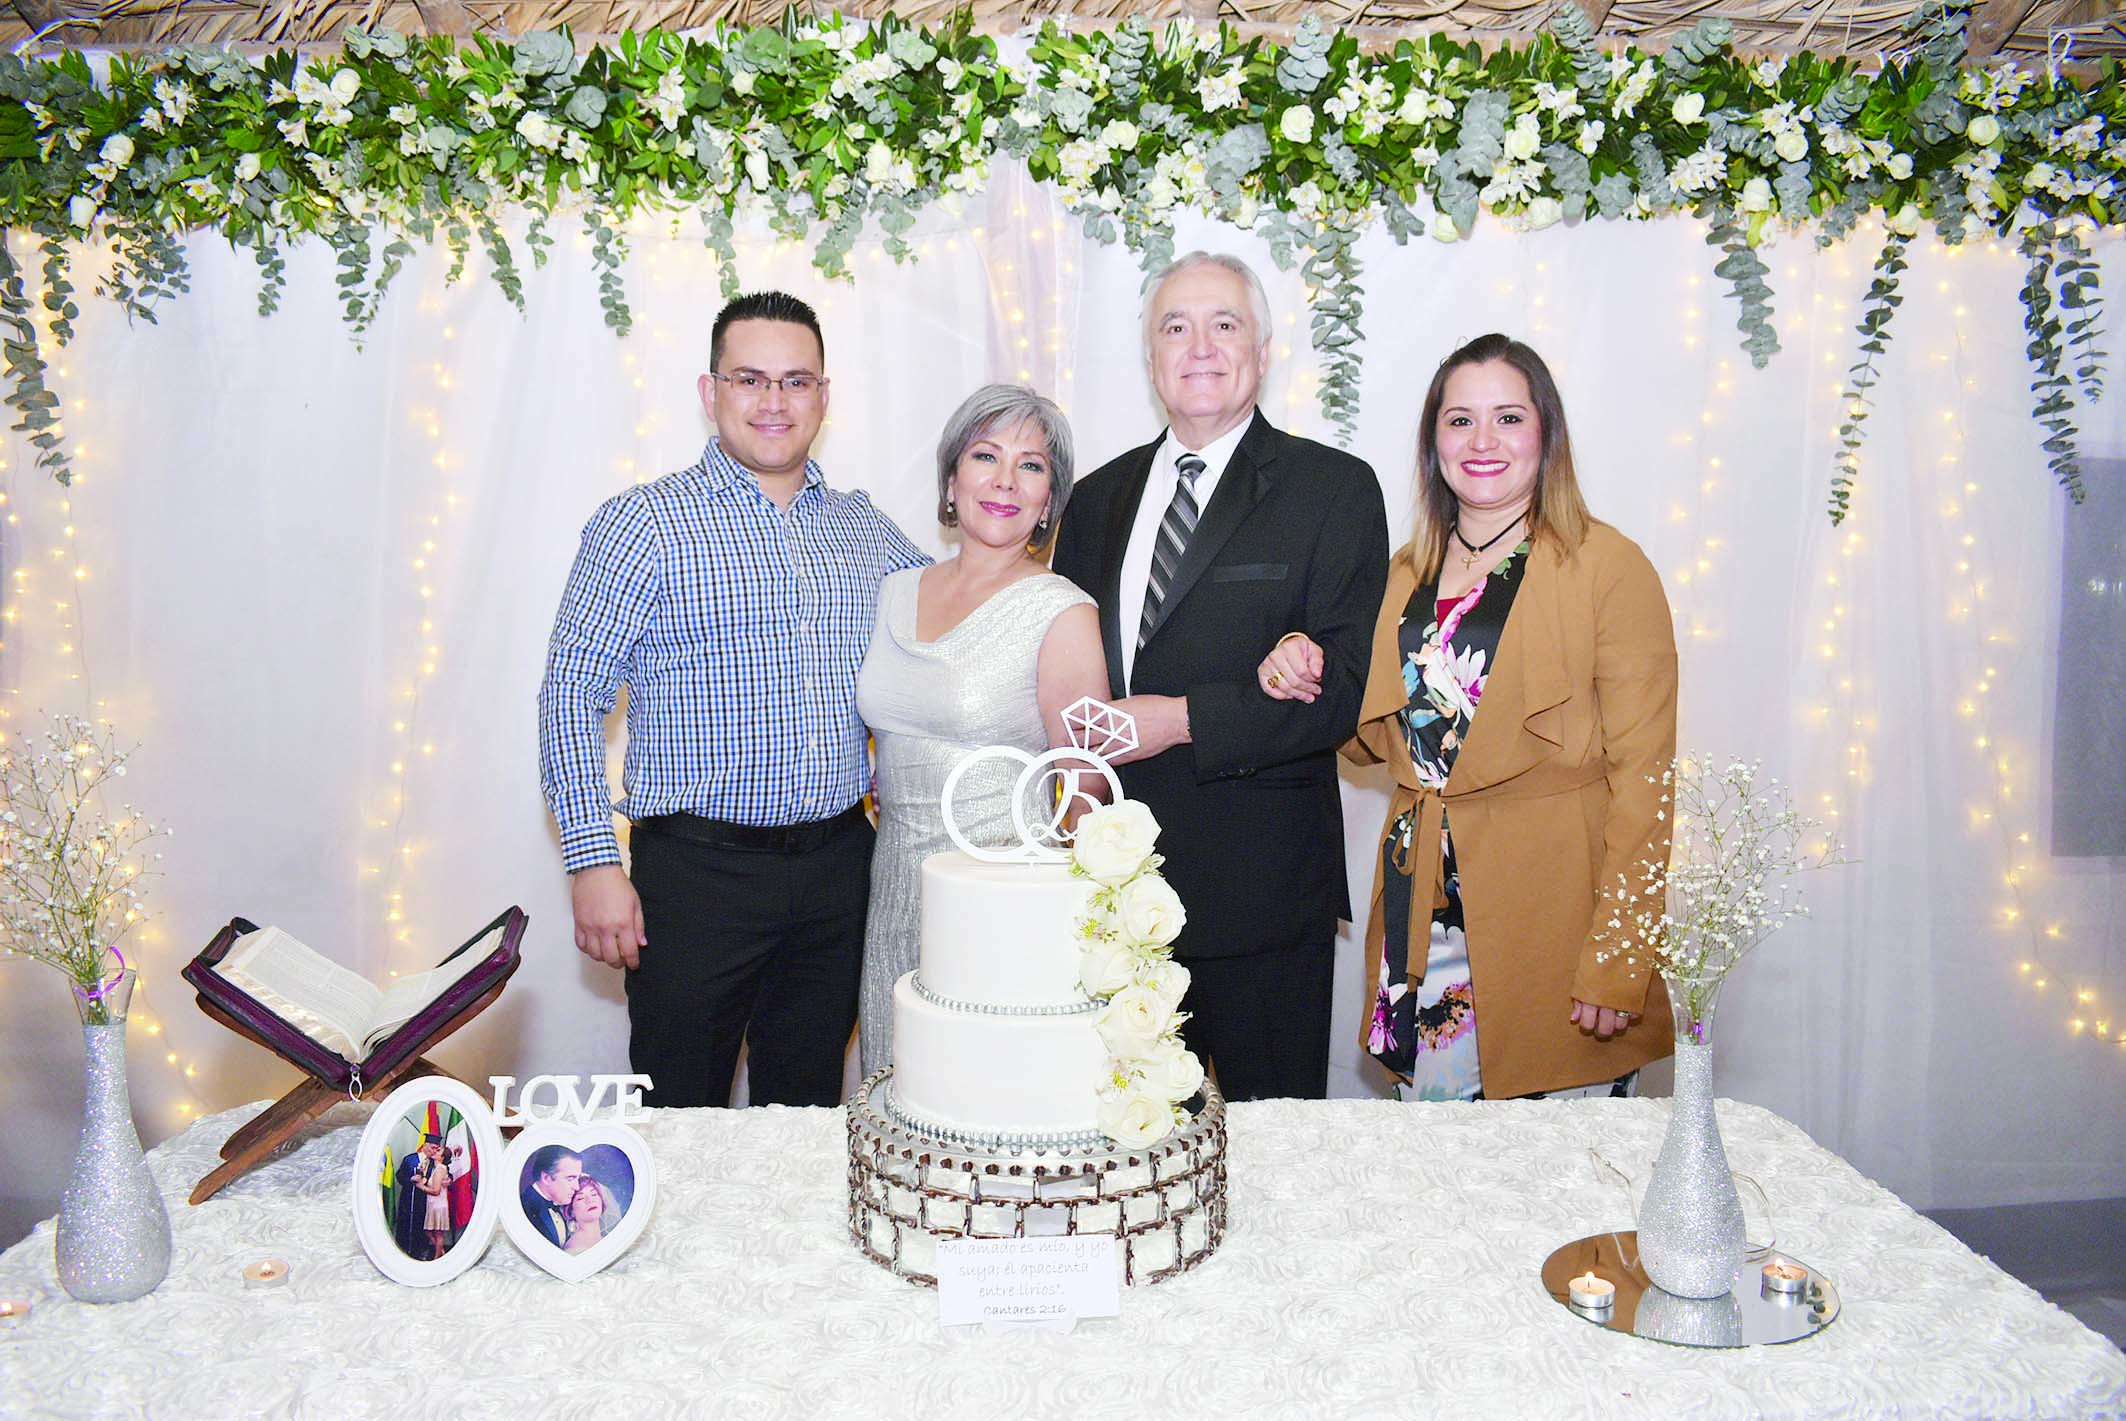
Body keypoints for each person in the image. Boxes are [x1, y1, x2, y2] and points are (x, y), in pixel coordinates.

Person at [1259, 332, 1677, 1100]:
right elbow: (1363, 736)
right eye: (1459, 420)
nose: (1483, 441)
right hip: (1420, 918)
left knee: (1556, 1194)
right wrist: (1299, 657)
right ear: (1433, 442)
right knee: (1436, 1184)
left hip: (1551, 922)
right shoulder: (1406, 571)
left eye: (1509, 418)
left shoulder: (1609, 566)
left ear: (1546, 435)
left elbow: (1647, 784)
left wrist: (1620, 958)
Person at [539, 291, 929, 1108]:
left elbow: (962, 615)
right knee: (679, 1114)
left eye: (796, 381)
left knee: (808, 1113)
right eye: (750, 378)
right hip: (695, 875)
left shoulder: (865, 530)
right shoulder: (645, 522)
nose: (774, 402)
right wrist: (591, 860)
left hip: (837, 868)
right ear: (709, 391)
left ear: (824, 396)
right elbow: (570, 695)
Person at [1050, 252, 1389, 1102]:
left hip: (1264, 902)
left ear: (1264, 349)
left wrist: (1180, 718)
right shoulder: (1094, 499)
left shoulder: (1334, 490)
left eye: (1224, 323)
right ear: (1150, 355)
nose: (1199, 345)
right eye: (1176, 326)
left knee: (1277, 1172)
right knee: (1121, 1157)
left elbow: (1343, 695)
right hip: (1115, 906)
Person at [855, 385, 1107, 1076]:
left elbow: (1086, 792)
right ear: (951, 477)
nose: (1004, 480)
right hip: (895, 893)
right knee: (895, 1088)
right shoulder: (894, 590)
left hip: (1005, 904)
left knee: (983, 1102)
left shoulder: (1062, 612)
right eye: (985, 455)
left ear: (1049, 498)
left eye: (1031, 465)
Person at [521, 1146, 584, 1249]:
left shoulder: (561, 1205)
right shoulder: (524, 1208)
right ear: (546, 1178)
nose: (577, 1187)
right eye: (570, 1178)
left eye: (577, 1178)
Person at [563, 1176, 622, 1254]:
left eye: (594, 1194)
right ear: (571, 1211)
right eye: (580, 1198)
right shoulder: (575, 1246)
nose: (590, 1200)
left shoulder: (606, 1239)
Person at [418, 1140, 453, 1260]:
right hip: (433, 1205)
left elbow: (436, 1191)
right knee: (429, 1230)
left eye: (438, 1151)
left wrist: (422, 1187)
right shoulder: (438, 1168)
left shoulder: (439, 1170)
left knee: (438, 1233)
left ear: (442, 1157)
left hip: (437, 1205)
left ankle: (437, 1257)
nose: (435, 1151)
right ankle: (441, 1252)